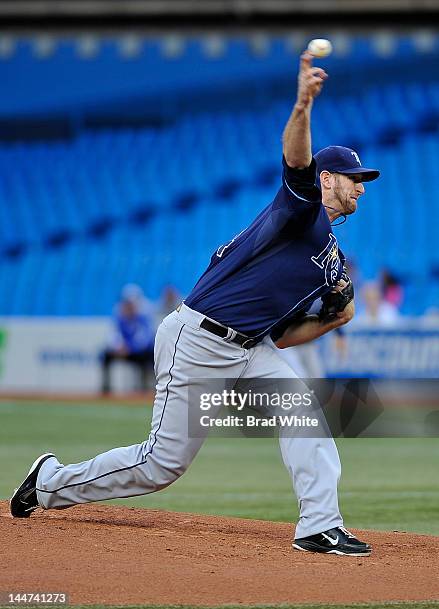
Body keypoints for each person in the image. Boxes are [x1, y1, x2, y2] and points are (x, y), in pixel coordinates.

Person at [10, 51, 380, 556]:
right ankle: (50, 483)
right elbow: (296, 159)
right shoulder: (302, 210)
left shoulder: (332, 256)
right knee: (162, 464)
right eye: (354, 176)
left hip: (251, 347)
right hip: (200, 338)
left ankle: (319, 525)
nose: (361, 185)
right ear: (328, 179)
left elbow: (342, 314)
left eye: (365, 180)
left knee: (302, 412)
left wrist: (327, 316)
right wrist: (302, 105)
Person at [101, 284, 156, 394]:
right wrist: (119, 347)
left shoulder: (143, 318)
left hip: (138, 352)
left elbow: (144, 339)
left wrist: (130, 348)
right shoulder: (119, 317)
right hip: (123, 350)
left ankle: (143, 389)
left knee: (147, 356)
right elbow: (114, 335)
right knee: (105, 355)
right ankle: (106, 389)